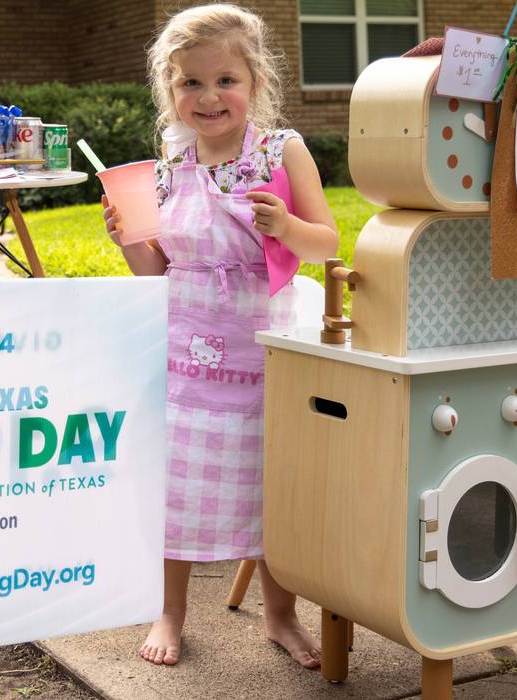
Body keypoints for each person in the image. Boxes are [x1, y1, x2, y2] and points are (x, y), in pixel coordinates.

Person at [101, 3, 339, 670]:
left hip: (262, 346)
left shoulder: (279, 149)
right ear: (168, 90)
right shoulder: (169, 161)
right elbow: (159, 270)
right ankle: (169, 610)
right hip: (184, 349)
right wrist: (129, 239)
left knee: (271, 486)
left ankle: (280, 615)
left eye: (224, 80)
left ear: (255, 81)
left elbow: (326, 243)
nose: (207, 98)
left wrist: (285, 227)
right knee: (179, 485)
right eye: (189, 83)